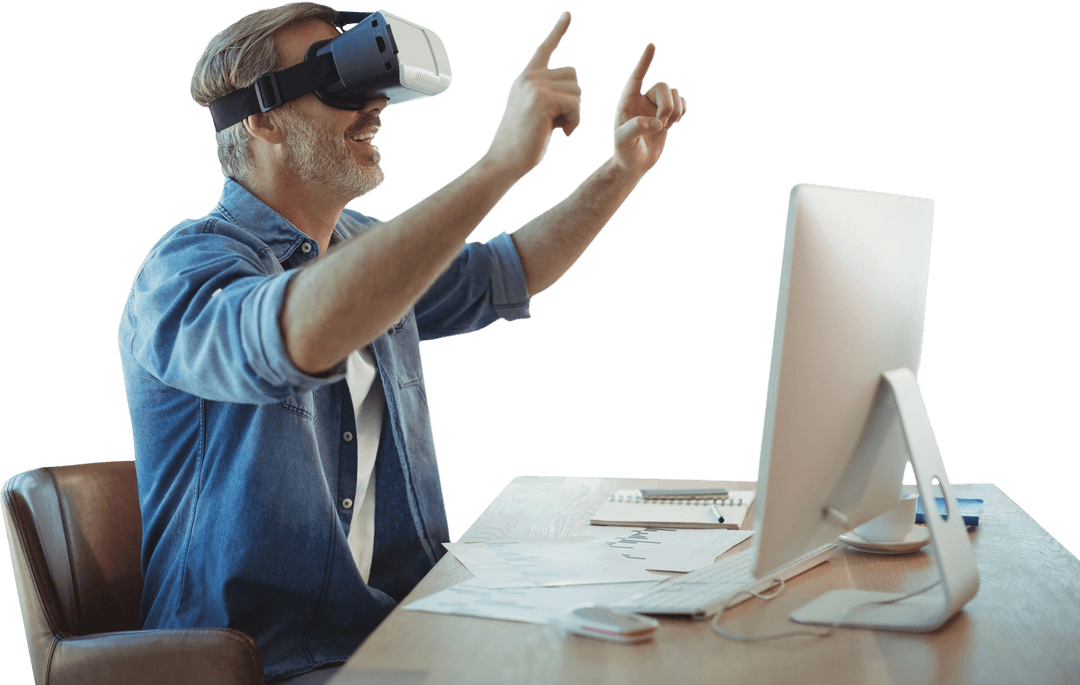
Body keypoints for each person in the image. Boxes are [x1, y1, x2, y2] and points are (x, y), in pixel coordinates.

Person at [118, 3, 686, 682]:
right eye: (336, 78)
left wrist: (621, 169)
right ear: (263, 117)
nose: (374, 107)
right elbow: (292, 335)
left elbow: (505, 270)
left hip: (390, 636)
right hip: (263, 661)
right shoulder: (185, 268)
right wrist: (498, 164)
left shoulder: (362, 243)